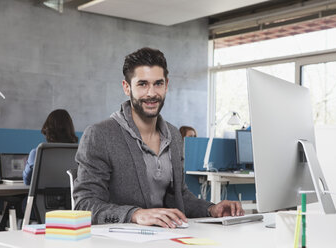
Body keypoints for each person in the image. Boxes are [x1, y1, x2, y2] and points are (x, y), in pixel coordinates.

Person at [74, 47, 244, 228]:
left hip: (165, 237)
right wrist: (135, 214)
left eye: (158, 83)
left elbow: (179, 197)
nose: (151, 93)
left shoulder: (173, 136)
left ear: (166, 85)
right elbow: (84, 205)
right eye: (142, 84)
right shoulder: (100, 135)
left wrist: (211, 209)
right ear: (126, 87)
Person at [23, 109, 78, 185]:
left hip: (42, 196)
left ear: (47, 129)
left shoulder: (37, 153)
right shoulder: (79, 152)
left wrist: (28, 164)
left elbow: (27, 181)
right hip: (71, 196)